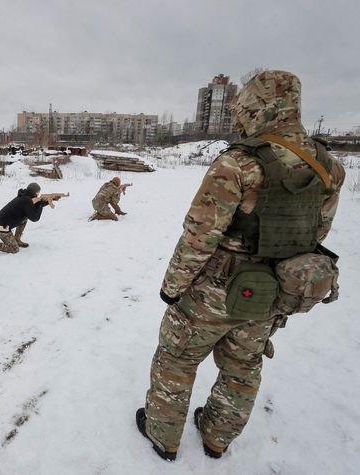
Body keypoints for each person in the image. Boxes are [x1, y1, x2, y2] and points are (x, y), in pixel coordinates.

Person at [136, 70, 345, 461]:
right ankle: (217, 438)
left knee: (177, 358)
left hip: (215, 291)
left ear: (257, 106)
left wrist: (173, 286)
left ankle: (163, 435)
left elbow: (199, 235)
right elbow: (319, 231)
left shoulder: (239, 162)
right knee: (243, 366)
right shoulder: (328, 166)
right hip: (272, 294)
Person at [0, 182, 49, 257]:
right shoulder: (26, 200)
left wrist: (46, 202)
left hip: (0, 221)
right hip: (1, 227)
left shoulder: (24, 197)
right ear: (34, 192)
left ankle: (17, 239)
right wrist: (41, 205)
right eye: (38, 192)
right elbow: (35, 218)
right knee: (14, 249)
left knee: (25, 218)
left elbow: (31, 209)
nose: (38, 194)